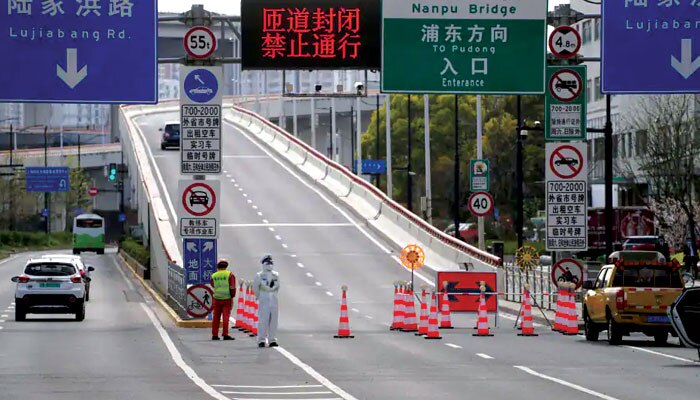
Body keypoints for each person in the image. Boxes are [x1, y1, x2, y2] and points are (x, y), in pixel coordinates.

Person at [253, 254, 280, 348]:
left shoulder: (276, 275)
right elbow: (255, 288)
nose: (269, 265)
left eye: (271, 263)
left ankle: (272, 339)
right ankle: (261, 340)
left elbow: (278, 287)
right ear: (263, 264)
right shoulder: (259, 275)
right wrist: (259, 297)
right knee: (263, 321)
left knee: (274, 321)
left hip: (274, 300)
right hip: (264, 300)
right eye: (267, 263)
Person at [210, 259, 236, 341]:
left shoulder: (214, 275)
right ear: (226, 266)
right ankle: (225, 334)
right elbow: (232, 287)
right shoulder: (230, 274)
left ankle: (214, 335)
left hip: (216, 298)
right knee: (225, 317)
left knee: (216, 317)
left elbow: (213, 285)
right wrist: (232, 296)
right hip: (227, 298)